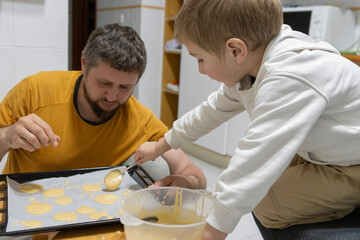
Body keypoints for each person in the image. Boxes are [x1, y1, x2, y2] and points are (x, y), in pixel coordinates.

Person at [135, 0, 360, 239]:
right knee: (259, 187)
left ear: (236, 50)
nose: (200, 69)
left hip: (351, 163)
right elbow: (209, 112)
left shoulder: (290, 75)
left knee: (266, 205)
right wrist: (160, 145)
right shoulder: (253, 65)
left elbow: (253, 159)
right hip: (335, 147)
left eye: (200, 59)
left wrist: (212, 232)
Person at [0, 23, 206, 190]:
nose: (112, 96)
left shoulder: (137, 118)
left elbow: (190, 169)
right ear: (84, 64)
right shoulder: (35, 91)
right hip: (26, 199)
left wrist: (187, 183)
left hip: (91, 209)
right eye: (104, 83)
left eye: (125, 87)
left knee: (158, 168)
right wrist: (9, 137)